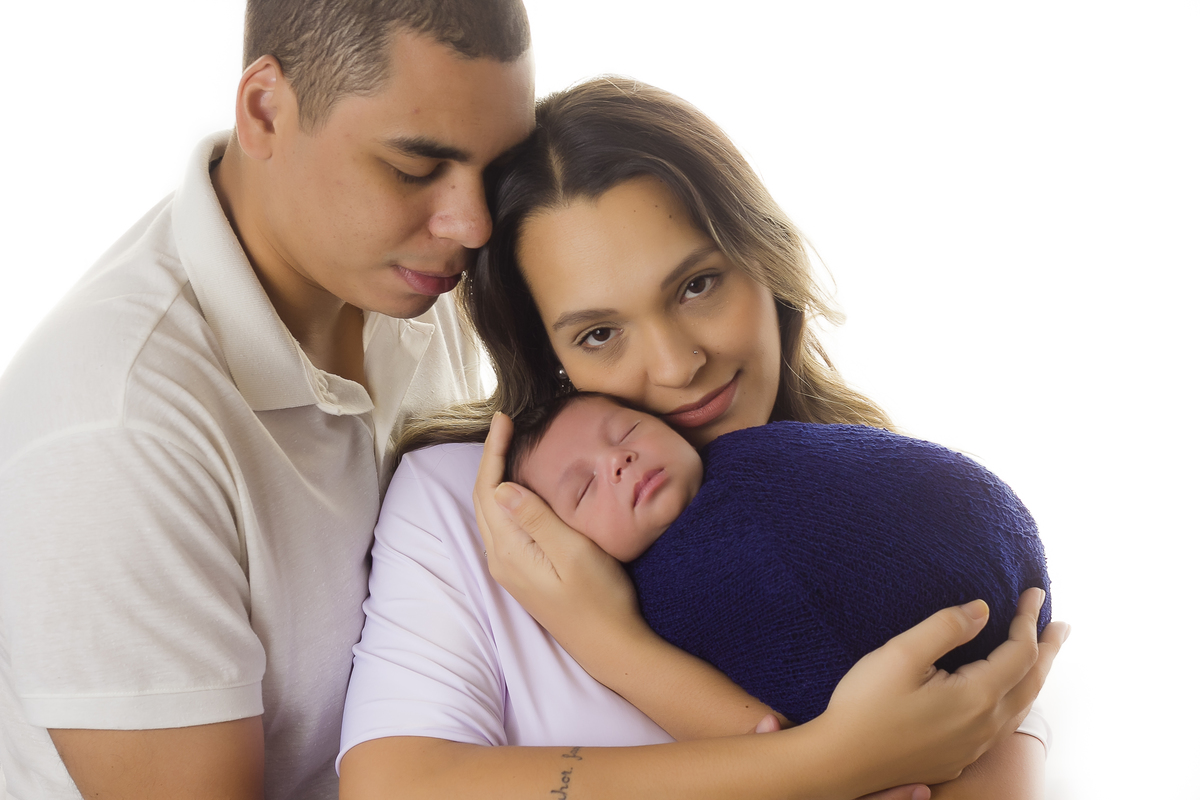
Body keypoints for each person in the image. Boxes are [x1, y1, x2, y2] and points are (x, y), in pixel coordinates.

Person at [338, 77, 1068, 799]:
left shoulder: (897, 519)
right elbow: (395, 788)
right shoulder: (469, 510)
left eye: (697, 286)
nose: (676, 365)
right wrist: (827, 762)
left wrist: (614, 646)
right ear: (548, 354)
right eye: (600, 333)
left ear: (764, 259)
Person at [0, 2, 535, 798]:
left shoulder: (417, 280)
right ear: (264, 111)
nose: (475, 225)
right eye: (415, 169)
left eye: (498, 169)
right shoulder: (113, 426)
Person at [507, 391, 1052, 726]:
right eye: (584, 488)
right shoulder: (651, 606)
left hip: (1006, 603)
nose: (618, 460)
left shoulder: (766, 449)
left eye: (627, 431)